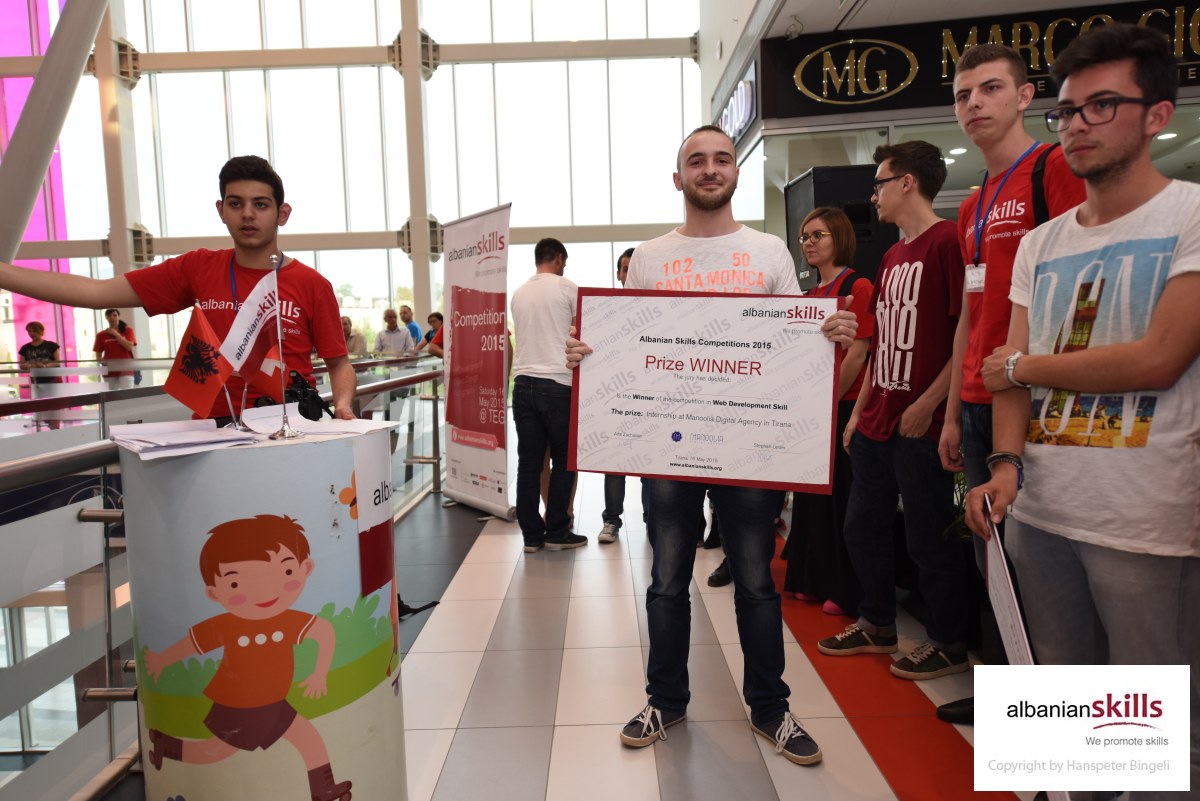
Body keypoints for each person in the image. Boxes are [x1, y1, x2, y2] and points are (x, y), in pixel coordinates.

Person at [567, 124, 859, 765]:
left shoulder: (768, 253)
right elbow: (626, 344)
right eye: (696, 161)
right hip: (667, 448)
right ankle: (665, 700)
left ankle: (771, 708)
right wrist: (590, 351)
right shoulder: (649, 257)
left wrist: (830, 334)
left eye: (721, 159)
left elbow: (794, 343)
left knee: (755, 582)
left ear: (735, 173)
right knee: (667, 581)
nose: (710, 169)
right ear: (679, 178)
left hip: (748, 449)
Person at [966, 23, 1200, 796]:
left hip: (1148, 518)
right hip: (1041, 510)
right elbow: (1007, 376)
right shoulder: (1040, 243)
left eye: (1102, 106)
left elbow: (1160, 358)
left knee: (1157, 741)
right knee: (1066, 728)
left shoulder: (1190, 216)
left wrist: (1024, 366)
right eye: (1067, 111)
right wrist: (1005, 463)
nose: (1077, 125)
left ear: (1157, 114)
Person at [935, 42, 1087, 726]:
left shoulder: (1053, 169)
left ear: (1025, 97)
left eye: (990, 88)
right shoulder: (971, 203)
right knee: (990, 555)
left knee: (1045, 565)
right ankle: (1008, 696)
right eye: (964, 94)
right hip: (976, 404)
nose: (975, 104)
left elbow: (1081, 285)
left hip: (1033, 400)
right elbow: (972, 313)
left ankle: (1057, 717)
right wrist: (949, 412)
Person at [0, 156, 356, 420]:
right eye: (236, 204)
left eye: (260, 205)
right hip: (215, 430)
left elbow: (339, 363)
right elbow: (96, 293)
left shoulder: (311, 285)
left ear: (282, 213)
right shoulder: (197, 268)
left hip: (291, 428)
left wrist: (342, 405)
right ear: (221, 210)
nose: (247, 214)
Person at [817, 141, 970, 682]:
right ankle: (877, 622)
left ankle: (948, 640)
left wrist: (930, 405)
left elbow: (966, 332)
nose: (873, 195)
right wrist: (859, 412)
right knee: (862, 526)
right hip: (879, 417)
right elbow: (881, 344)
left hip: (920, 421)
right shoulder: (891, 256)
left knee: (929, 538)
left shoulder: (948, 242)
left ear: (907, 182)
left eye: (879, 183)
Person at [142, 515, 353, 801]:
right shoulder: (225, 625)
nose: (264, 592)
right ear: (214, 593)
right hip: (237, 704)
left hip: (273, 701)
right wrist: (162, 660)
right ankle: (167, 746)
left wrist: (319, 674)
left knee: (307, 739)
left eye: (285, 572)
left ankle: (323, 790)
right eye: (235, 584)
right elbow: (192, 645)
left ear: (306, 569)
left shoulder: (288, 620)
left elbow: (324, 632)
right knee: (213, 751)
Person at [782, 207, 873, 618]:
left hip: (844, 406)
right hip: (813, 409)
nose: (809, 242)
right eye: (804, 236)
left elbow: (858, 356)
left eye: (818, 235)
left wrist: (826, 403)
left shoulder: (859, 286)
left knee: (840, 500)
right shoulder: (808, 296)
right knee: (810, 499)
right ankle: (811, 580)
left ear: (840, 237)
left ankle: (843, 587)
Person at [511, 238, 586, 553]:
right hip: (557, 384)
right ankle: (556, 530)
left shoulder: (519, 294)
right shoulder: (568, 288)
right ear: (558, 258)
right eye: (564, 262)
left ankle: (531, 537)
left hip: (522, 383)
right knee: (564, 461)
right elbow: (581, 332)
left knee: (529, 463)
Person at [596, 247, 636, 545]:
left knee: (653, 466)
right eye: (625, 268)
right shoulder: (607, 311)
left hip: (651, 398)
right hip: (617, 398)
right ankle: (611, 520)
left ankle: (653, 518)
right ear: (618, 274)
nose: (629, 273)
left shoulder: (665, 309)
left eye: (634, 268)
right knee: (614, 463)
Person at [93, 308, 138, 389]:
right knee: (112, 395)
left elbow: (129, 347)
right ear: (106, 318)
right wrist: (104, 363)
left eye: (114, 315)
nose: (112, 317)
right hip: (110, 370)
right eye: (109, 316)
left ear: (118, 316)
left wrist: (116, 335)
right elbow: (98, 356)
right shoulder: (101, 335)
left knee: (127, 394)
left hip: (126, 369)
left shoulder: (128, 330)